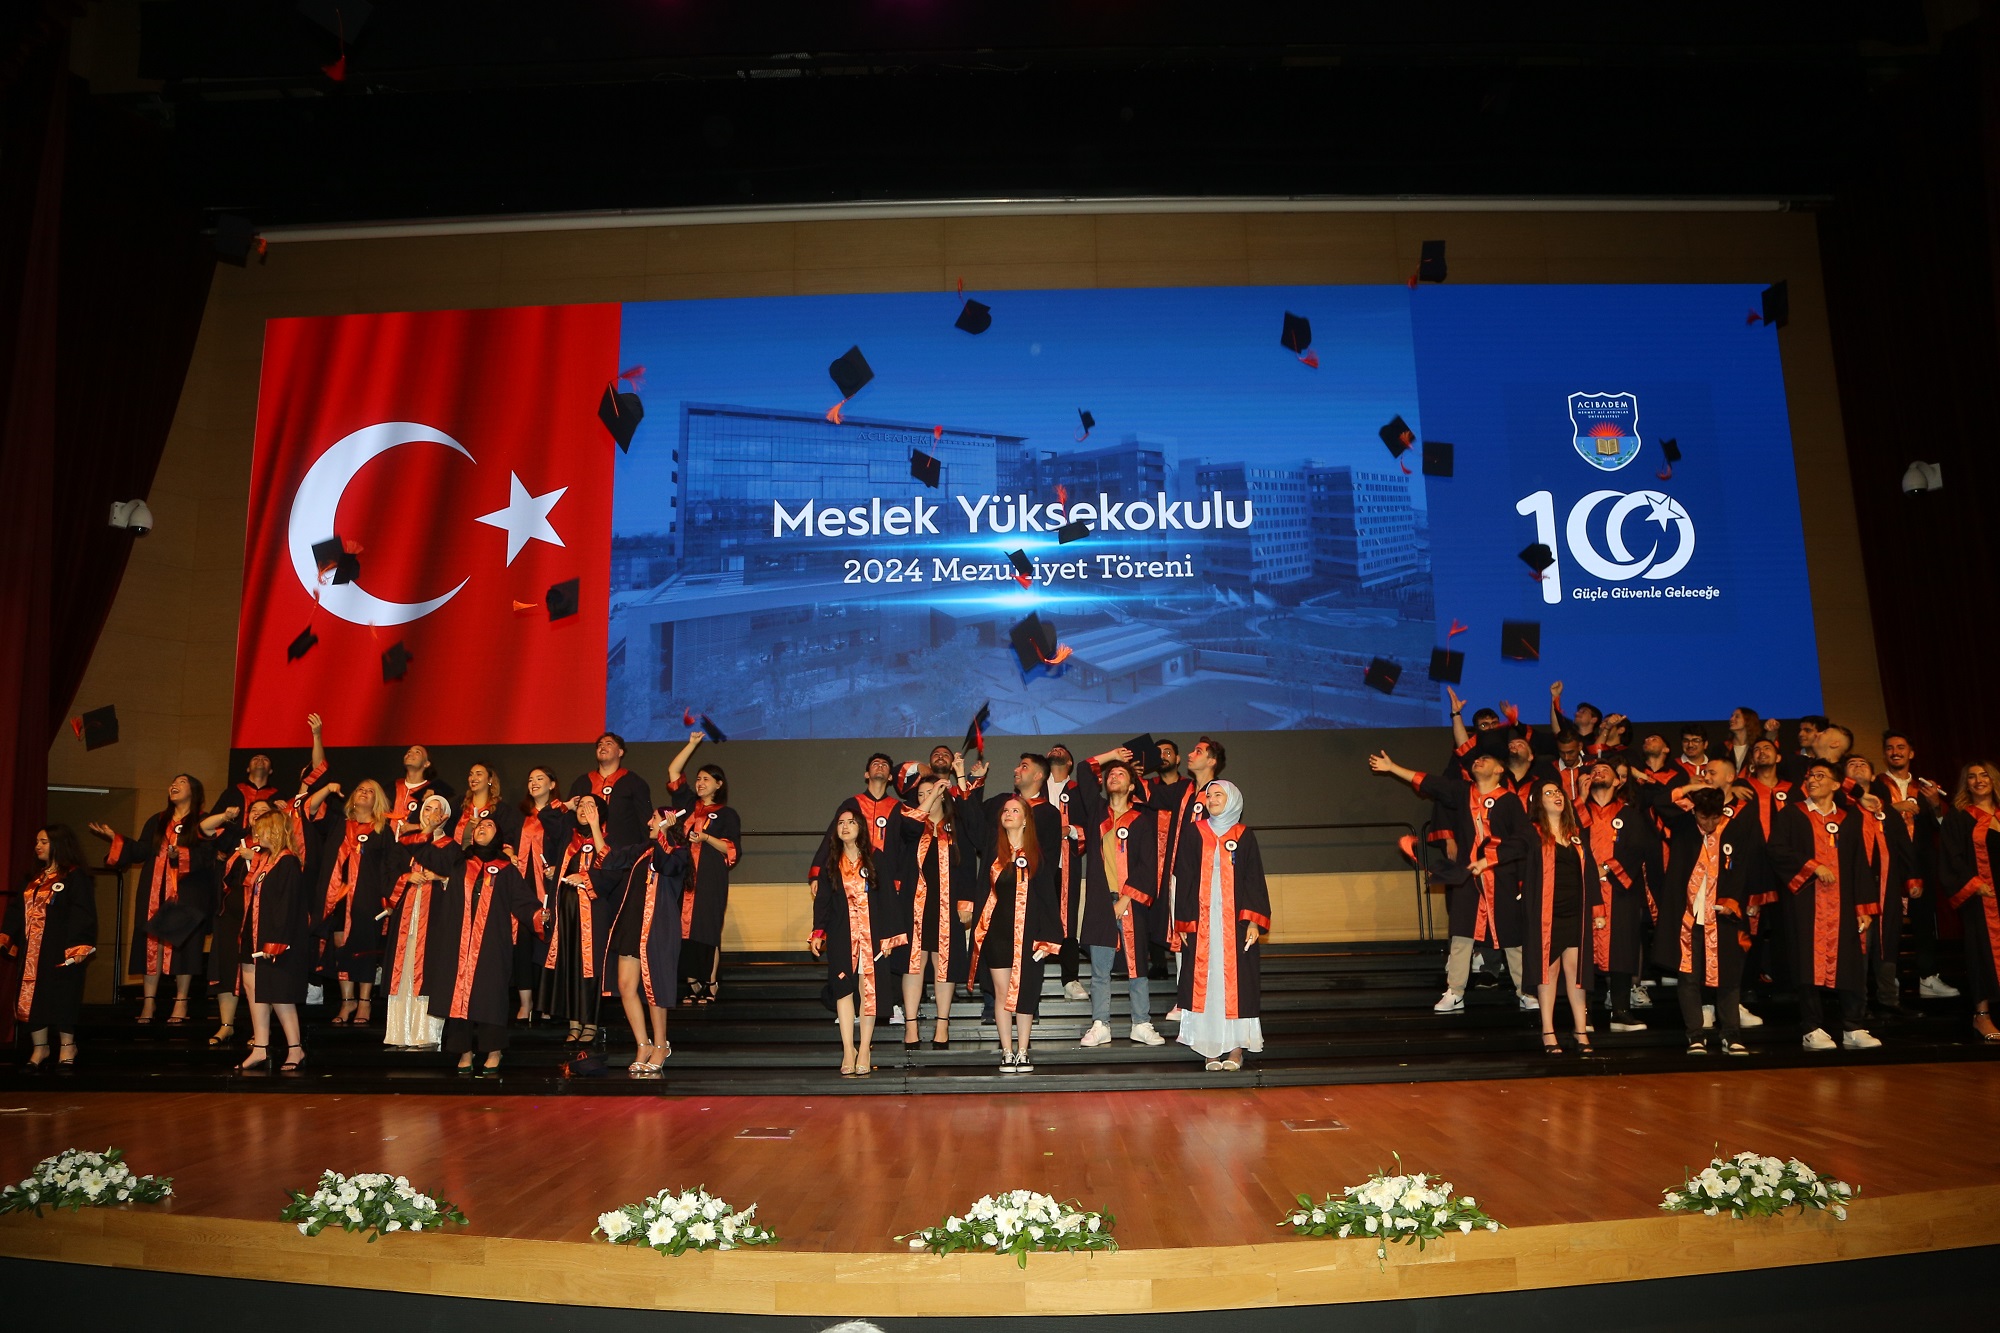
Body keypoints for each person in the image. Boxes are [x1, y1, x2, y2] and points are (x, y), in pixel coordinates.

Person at [1368, 748, 1531, 1014]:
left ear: (1500, 770)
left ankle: (1526, 992)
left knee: (1512, 937)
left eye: (1486, 759)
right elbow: (1430, 782)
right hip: (1467, 877)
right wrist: (1393, 767)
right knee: (1462, 935)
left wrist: (1492, 860)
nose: (1478, 760)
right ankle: (1455, 992)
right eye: (1476, 759)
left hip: (1501, 878)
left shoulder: (1510, 801)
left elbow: (1524, 840)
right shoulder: (1462, 792)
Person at [1768, 759, 1886, 1051]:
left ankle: (1853, 1026)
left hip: (1842, 905)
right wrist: (1812, 866)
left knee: (1850, 964)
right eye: (1810, 776)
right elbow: (1776, 850)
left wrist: (1864, 908)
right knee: (1807, 963)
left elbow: (1859, 863)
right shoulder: (1792, 814)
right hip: (1806, 904)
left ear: (1836, 784)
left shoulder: (1849, 818)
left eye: (1821, 776)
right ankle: (1812, 1028)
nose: (1813, 780)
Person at [419, 814, 539, 1076]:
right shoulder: (458, 861)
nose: (483, 827)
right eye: (480, 825)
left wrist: (543, 917)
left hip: (491, 943)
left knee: (490, 995)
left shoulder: (506, 869)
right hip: (457, 942)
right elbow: (422, 851)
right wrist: (426, 829)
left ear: (498, 836)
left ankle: (494, 1051)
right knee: (457, 994)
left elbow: (524, 903)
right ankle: (464, 1051)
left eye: (489, 825)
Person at [90, 773, 213, 1025]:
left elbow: (208, 856)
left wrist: (181, 855)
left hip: (185, 891)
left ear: (194, 791)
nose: (174, 785)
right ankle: (149, 1001)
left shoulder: (202, 821)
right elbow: (141, 850)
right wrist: (116, 839)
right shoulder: (158, 820)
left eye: (182, 782)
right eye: (173, 782)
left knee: (183, 948)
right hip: (154, 891)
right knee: (151, 944)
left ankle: (181, 1000)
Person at [1650, 787, 1759, 1056]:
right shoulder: (1683, 825)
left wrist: (1734, 901)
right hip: (1687, 916)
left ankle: (1731, 1034)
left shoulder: (1734, 829)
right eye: (1703, 817)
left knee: (1728, 977)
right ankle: (1695, 1035)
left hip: (1723, 915)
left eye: (1714, 818)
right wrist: (1689, 788)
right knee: (1688, 977)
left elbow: (1743, 868)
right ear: (1694, 812)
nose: (1709, 824)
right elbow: (1659, 802)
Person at [1171, 779, 1269, 1072]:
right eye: (1209, 795)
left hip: (1235, 924)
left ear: (1233, 800)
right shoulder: (1194, 832)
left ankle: (1236, 1048)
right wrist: (1184, 922)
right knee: (1207, 983)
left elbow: (1253, 879)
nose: (1211, 799)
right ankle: (1209, 1047)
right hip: (1202, 923)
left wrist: (1253, 921)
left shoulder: (1244, 835)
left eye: (1218, 795)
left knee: (1236, 985)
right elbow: (1184, 877)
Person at [811, 809, 909, 1076]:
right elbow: (823, 901)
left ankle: (864, 1048)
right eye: (840, 823)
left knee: (868, 992)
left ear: (861, 827)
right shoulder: (831, 862)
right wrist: (818, 933)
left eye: (851, 822)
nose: (845, 826)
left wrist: (889, 937)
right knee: (843, 991)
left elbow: (888, 899)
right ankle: (847, 1049)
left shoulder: (876, 858)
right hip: (841, 935)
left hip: (872, 936)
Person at [971, 793, 1063, 1072]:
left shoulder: (1037, 856)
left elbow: (1048, 900)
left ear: (1025, 820)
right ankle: (1007, 1051)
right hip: (996, 934)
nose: (1008, 814)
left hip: (1028, 935)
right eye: (1005, 811)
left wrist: (1048, 939)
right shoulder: (993, 852)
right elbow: (971, 823)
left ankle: (1023, 1051)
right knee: (1001, 993)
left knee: (1025, 992)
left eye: (1014, 811)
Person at [1081, 758, 1167, 1046]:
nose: (1114, 776)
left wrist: (1126, 900)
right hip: (1100, 902)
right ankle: (1100, 1024)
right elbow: (1083, 770)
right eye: (1110, 774)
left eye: (1121, 773)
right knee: (1100, 969)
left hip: (1132, 902)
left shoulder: (1141, 821)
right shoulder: (1097, 813)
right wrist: (1112, 755)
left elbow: (1147, 865)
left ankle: (1141, 1023)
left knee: (1137, 966)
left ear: (1132, 786)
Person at [900, 764, 984, 1048]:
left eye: (934, 792)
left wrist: (966, 902)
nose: (927, 797)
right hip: (915, 903)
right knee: (914, 963)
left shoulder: (955, 826)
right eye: (922, 794)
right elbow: (908, 827)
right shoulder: (912, 823)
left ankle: (942, 1025)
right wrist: (929, 796)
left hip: (947, 903)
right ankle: (911, 1025)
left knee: (943, 963)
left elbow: (968, 865)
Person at [302, 773, 396, 1026]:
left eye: (370, 791)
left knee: (365, 949)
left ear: (377, 800)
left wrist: (389, 900)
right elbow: (309, 810)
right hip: (338, 898)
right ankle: (347, 1001)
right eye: (360, 789)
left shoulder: (383, 830)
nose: (364, 792)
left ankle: (364, 1002)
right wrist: (328, 788)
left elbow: (390, 867)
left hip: (368, 899)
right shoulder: (338, 824)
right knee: (341, 947)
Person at [604, 807, 691, 1076]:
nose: (648, 821)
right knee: (625, 985)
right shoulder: (643, 850)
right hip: (633, 922)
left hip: (658, 926)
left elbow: (666, 865)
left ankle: (661, 1045)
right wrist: (596, 825)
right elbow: (609, 859)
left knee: (655, 988)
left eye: (654, 818)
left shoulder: (679, 852)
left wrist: (665, 834)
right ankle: (643, 1044)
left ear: (667, 821)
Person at [2, 826, 97, 1069]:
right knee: (33, 997)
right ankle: (40, 1047)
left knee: (63, 996)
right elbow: (16, 910)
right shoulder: (33, 878)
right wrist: (6, 935)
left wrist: (78, 947)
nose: (38, 846)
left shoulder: (75, 877)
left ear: (58, 844)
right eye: (37, 841)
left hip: (61, 949)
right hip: (32, 951)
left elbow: (82, 913)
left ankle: (67, 1045)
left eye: (43, 842)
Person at [1874, 732, 1955, 1000]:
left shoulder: (1925, 787)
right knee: (1888, 923)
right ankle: (1890, 979)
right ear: (1884, 754)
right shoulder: (1876, 785)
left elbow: (1941, 826)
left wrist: (1935, 805)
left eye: (1901, 747)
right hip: (1887, 860)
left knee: (1923, 921)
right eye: (1889, 748)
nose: (1895, 752)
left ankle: (1928, 978)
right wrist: (1892, 808)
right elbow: (1865, 820)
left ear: (1911, 753)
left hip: (1921, 861)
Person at [1579, 761, 1656, 1032]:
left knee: (1622, 949)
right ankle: (1583, 1014)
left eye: (1605, 770)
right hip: (1583, 890)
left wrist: (1607, 868)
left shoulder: (1631, 815)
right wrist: (1580, 799)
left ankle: (1621, 1012)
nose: (1598, 772)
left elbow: (1639, 848)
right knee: (1583, 952)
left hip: (1620, 891)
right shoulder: (1576, 812)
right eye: (1594, 771)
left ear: (1618, 781)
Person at [1519, 781, 1595, 1055]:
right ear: (1539, 802)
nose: (1556, 796)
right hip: (1546, 914)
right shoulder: (1532, 833)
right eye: (1549, 793)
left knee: (1576, 972)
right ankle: (1548, 1031)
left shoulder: (1575, 835)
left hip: (1575, 911)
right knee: (1549, 970)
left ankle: (1580, 1031)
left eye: (1559, 792)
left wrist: (1597, 909)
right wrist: (1483, 862)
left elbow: (1589, 871)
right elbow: (1508, 851)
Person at [237, 808, 313, 1073]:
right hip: (255, 934)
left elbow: (288, 905)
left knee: (280, 994)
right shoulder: (265, 860)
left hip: (276, 938)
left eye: (262, 830)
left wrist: (276, 940)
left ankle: (295, 1048)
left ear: (276, 830)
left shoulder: (288, 861)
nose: (257, 835)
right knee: (253, 988)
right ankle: (260, 1046)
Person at [667, 731, 739, 1004]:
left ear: (718, 784)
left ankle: (710, 982)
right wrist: (692, 744)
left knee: (707, 930)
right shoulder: (687, 805)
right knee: (682, 930)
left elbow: (731, 849)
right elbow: (674, 771)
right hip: (683, 877)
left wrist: (707, 838)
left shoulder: (727, 814)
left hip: (709, 878)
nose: (699, 783)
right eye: (698, 778)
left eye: (706, 779)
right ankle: (691, 982)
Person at [452, 763, 527, 1019]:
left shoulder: (502, 811)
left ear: (491, 780)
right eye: (470, 773)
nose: (473, 778)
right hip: (461, 876)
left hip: (488, 880)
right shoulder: (458, 808)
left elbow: (508, 843)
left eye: (479, 774)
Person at [200, 795, 274, 1047]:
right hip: (230, 914)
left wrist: (255, 858)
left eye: (264, 809)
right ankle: (226, 1025)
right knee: (227, 968)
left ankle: (260, 1031)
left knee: (259, 973)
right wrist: (225, 816)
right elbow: (204, 829)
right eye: (254, 810)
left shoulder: (278, 843)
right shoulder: (237, 838)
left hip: (260, 915)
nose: (257, 812)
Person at [381, 793, 451, 1050]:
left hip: (435, 918)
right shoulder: (404, 844)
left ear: (445, 816)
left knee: (428, 970)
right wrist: (406, 878)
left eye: (437, 809)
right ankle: (399, 1033)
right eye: (427, 808)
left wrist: (440, 877)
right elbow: (388, 874)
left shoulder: (451, 847)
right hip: (406, 916)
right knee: (403, 970)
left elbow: (455, 879)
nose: (431, 813)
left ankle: (426, 1034)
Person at [1938, 761, 2000, 1042]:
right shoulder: (1959, 817)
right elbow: (1951, 856)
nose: (1978, 780)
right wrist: (1974, 884)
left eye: (1984, 775)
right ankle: (1981, 1015)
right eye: (1972, 777)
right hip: (1980, 898)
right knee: (1980, 953)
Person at [541, 793, 610, 1043]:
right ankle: (573, 1022)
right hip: (567, 912)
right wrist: (566, 805)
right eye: (581, 805)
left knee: (589, 966)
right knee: (569, 963)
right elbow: (546, 816)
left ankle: (590, 1022)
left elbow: (610, 870)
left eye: (591, 806)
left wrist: (586, 878)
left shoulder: (608, 839)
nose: (584, 809)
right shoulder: (568, 837)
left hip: (593, 911)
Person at [515, 766, 571, 1021]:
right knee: (523, 943)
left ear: (552, 784)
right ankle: (525, 1003)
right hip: (522, 884)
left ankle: (547, 1002)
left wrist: (558, 867)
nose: (534, 783)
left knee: (547, 942)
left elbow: (567, 846)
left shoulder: (562, 814)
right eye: (530, 779)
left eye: (540, 778)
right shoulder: (520, 815)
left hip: (547, 885)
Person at [568, 732, 654, 871]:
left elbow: (645, 821)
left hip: (621, 857)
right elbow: (570, 821)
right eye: (600, 745)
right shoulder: (582, 783)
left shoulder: (634, 782)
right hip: (586, 857)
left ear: (620, 752)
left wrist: (647, 855)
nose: (603, 747)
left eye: (609, 744)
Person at [389, 745, 454, 839]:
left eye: (417, 752)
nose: (410, 754)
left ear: (426, 763)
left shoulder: (433, 792)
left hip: (416, 842)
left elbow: (440, 823)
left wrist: (416, 826)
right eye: (409, 751)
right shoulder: (390, 788)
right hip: (387, 843)